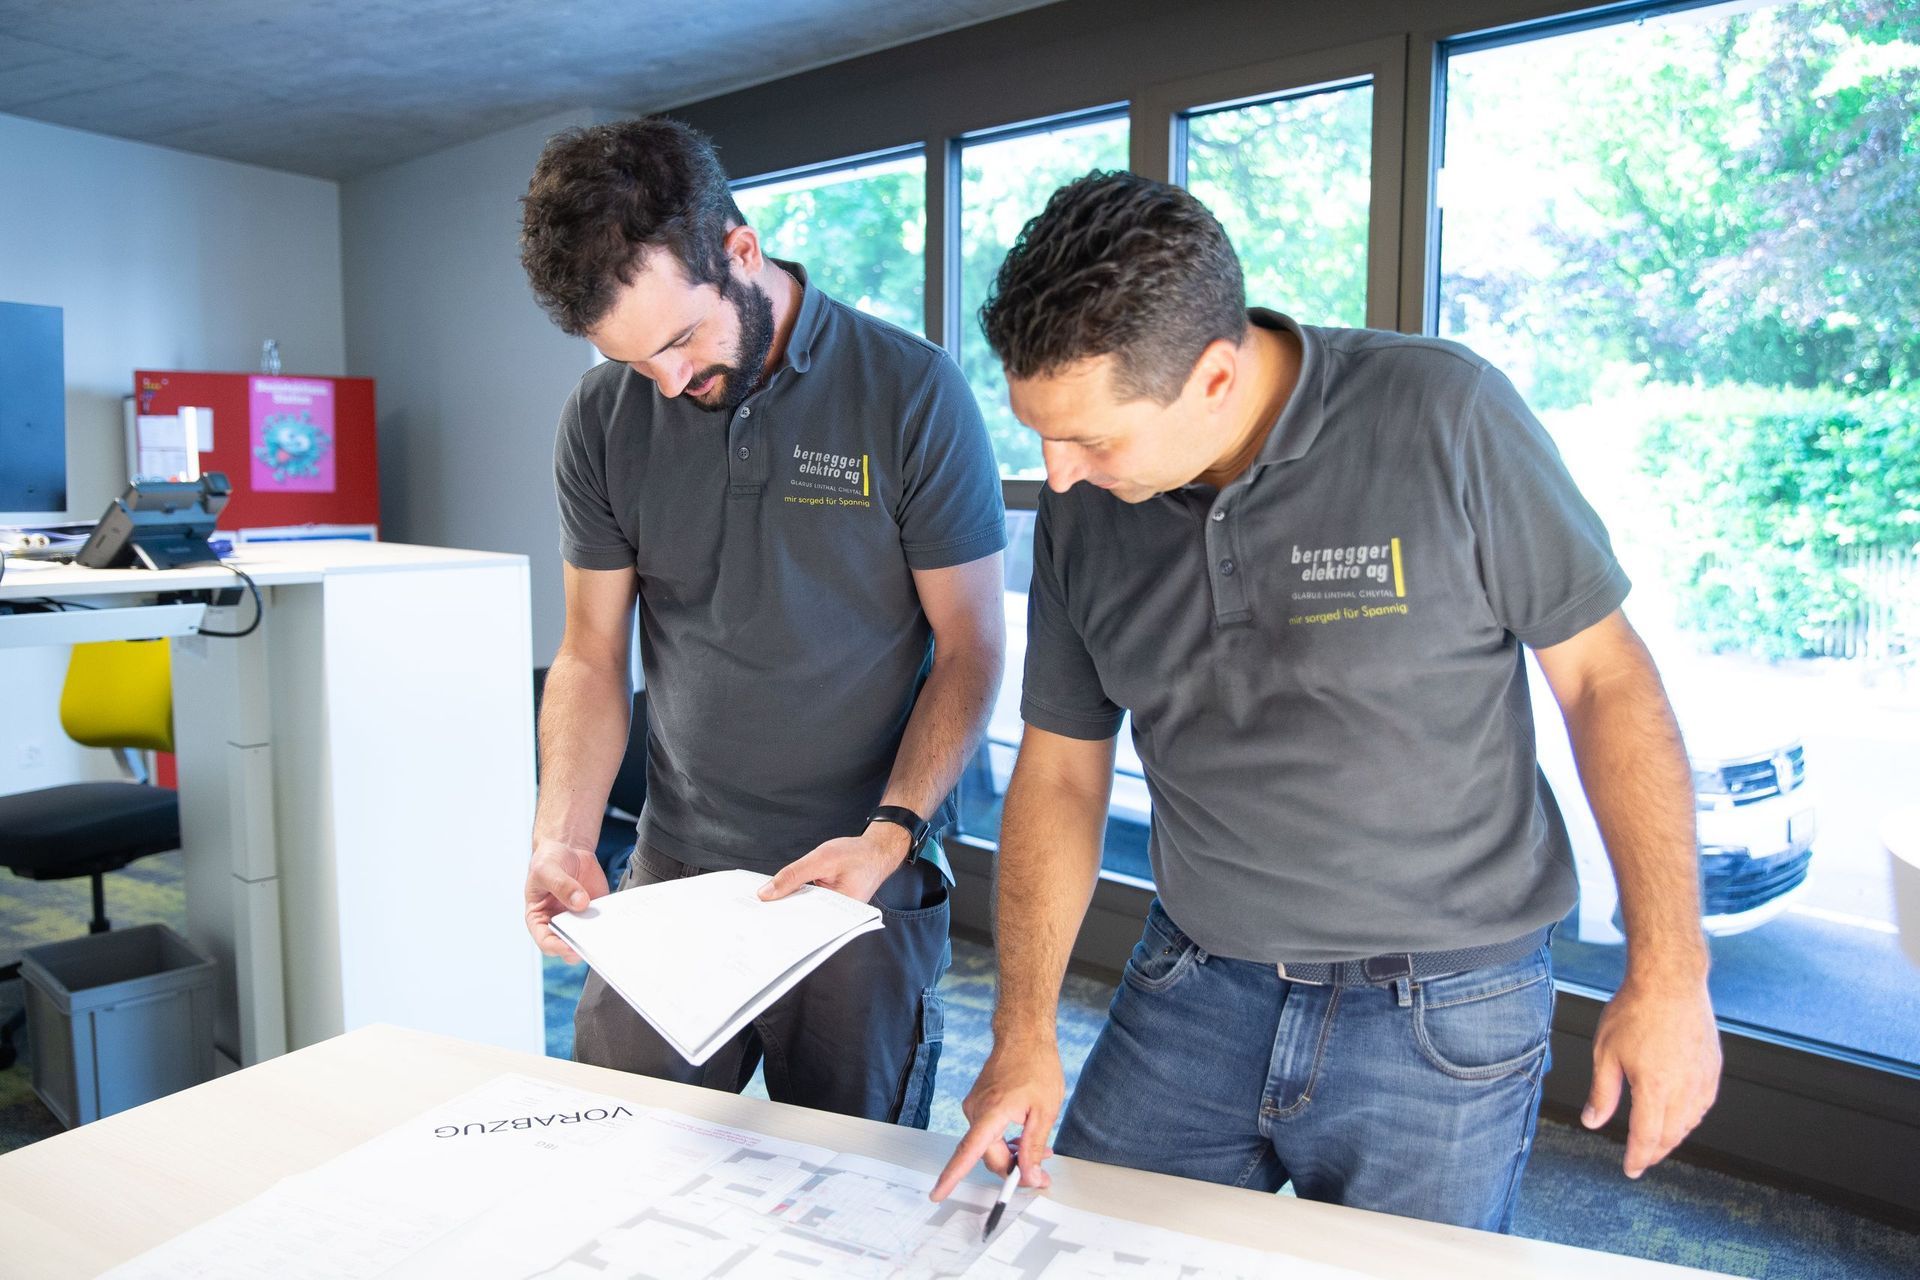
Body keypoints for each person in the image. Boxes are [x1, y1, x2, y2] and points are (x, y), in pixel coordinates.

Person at [931, 171, 1722, 1229]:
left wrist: (1669, 971)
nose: (1057, 476)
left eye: (1092, 439)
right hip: (1194, 985)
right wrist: (1022, 1028)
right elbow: (1063, 773)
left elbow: (1604, 678)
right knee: (1076, 1250)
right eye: (1039, 432)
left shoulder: (1447, 415)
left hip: (1441, 1010)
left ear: (1215, 376)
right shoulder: (1088, 515)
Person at [517, 117, 1006, 1127]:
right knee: (622, 1157)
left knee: (847, 1200)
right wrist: (561, 832)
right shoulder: (605, 418)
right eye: (633, 360)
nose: (667, 384)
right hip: (675, 872)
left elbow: (972, 645)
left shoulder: (912, 394)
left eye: (681, 341)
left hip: (860, 881)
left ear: (741, 252)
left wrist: (892, 832)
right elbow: (591, 651)